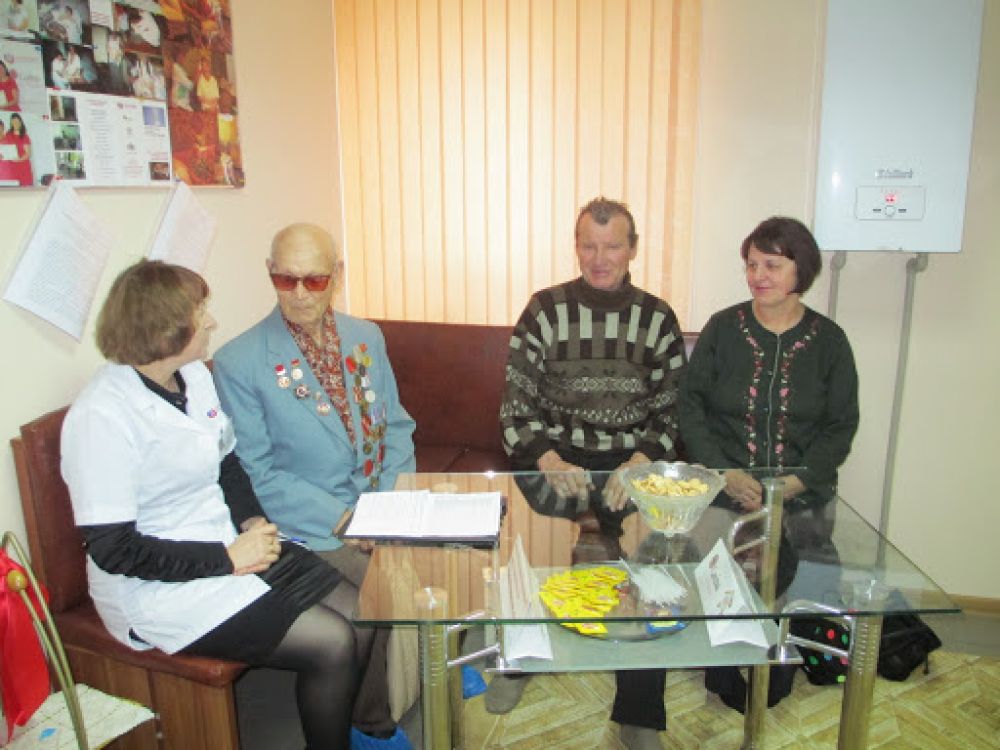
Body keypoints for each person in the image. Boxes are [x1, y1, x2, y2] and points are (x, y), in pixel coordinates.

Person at [61, 260, 379, 749]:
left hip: (228, 545)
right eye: (199, 313)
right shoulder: (100, 417)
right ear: (165, 329)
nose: (210, 321)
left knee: (363, 613)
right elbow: (114, 550)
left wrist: (251, 520)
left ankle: (347, 729)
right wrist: (227, 558)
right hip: (157, 590)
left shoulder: (193, 377)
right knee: (332, 643)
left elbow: (227, 462)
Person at [212, 223, 416, 745]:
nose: (300, 293)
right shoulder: (240, 361)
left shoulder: (366, 337)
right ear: (269, 274)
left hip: (376, 503)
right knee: (382, 590)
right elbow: (258, 472)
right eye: (286, 279)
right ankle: (372, 723)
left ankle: (434, 677)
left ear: (337, 275)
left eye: (315, 279)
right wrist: (346, 519)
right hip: (311, 525)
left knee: (444, 562)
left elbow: (396, 427)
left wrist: (386, 506)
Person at [498, 197, 687, 750]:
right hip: (557, 459)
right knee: (525, 544)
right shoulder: (544, 310)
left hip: (632, 463)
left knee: (651, 563)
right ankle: (518, 657)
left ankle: (639, 713)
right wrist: (548, 459)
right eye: (589, 246)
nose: (599, 258)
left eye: (612, 246)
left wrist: (641, 461)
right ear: (575, 246)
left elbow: (673, 412)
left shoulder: (657, 317)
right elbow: (514, 407)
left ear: (633, 249)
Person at [678, 215, 859, 711]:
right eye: (752, 264)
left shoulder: (830, 342)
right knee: (712, 557)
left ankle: (782, 649)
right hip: (724, 484)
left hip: (800, 490)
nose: (758, 275)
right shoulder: (723, 328)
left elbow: (841, 426)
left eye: (772, 265)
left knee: (802, 569)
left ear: (802, 270)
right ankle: (720, 652)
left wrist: (794, 483)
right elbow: (690, 407)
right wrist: (724, 472)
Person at [2, 113, 32, 186]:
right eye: (13, 121)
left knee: (24, 188)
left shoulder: (25, 136)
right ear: (11, 123)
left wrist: (19, 159)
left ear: (20, 122)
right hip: (11, 167)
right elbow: (3, 148)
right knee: (12, 188)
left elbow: (28, 154)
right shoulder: (7, 135)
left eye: (17, 121)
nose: (15, 123)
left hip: (23, 166)